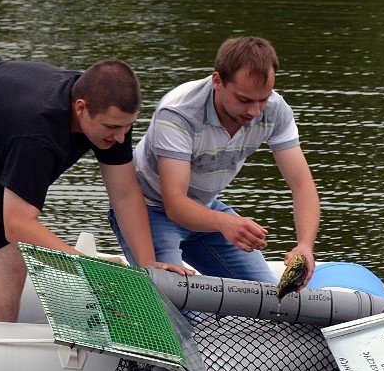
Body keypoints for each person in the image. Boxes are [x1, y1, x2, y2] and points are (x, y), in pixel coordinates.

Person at [0, 59, 187, 322]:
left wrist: (148, 263)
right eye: (112, 127)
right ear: (81, 107)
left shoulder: (110, 116)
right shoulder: (37, 134)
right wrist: (85, 268)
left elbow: (125, 193)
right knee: (6, 267)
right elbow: (17, 226)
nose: (120, 137)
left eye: (128, 127)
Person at [109, 36, 319, 289]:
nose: (254, 111)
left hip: (205, 208)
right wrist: (224, 223)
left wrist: (305, 245)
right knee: (174, 300)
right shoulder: (178, 114)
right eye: (244, 100)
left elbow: (302, 185)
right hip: (151, 209)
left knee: (269, 297)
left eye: (263, 99)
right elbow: (174, 205)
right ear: (217, 81)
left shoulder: (275, 109)